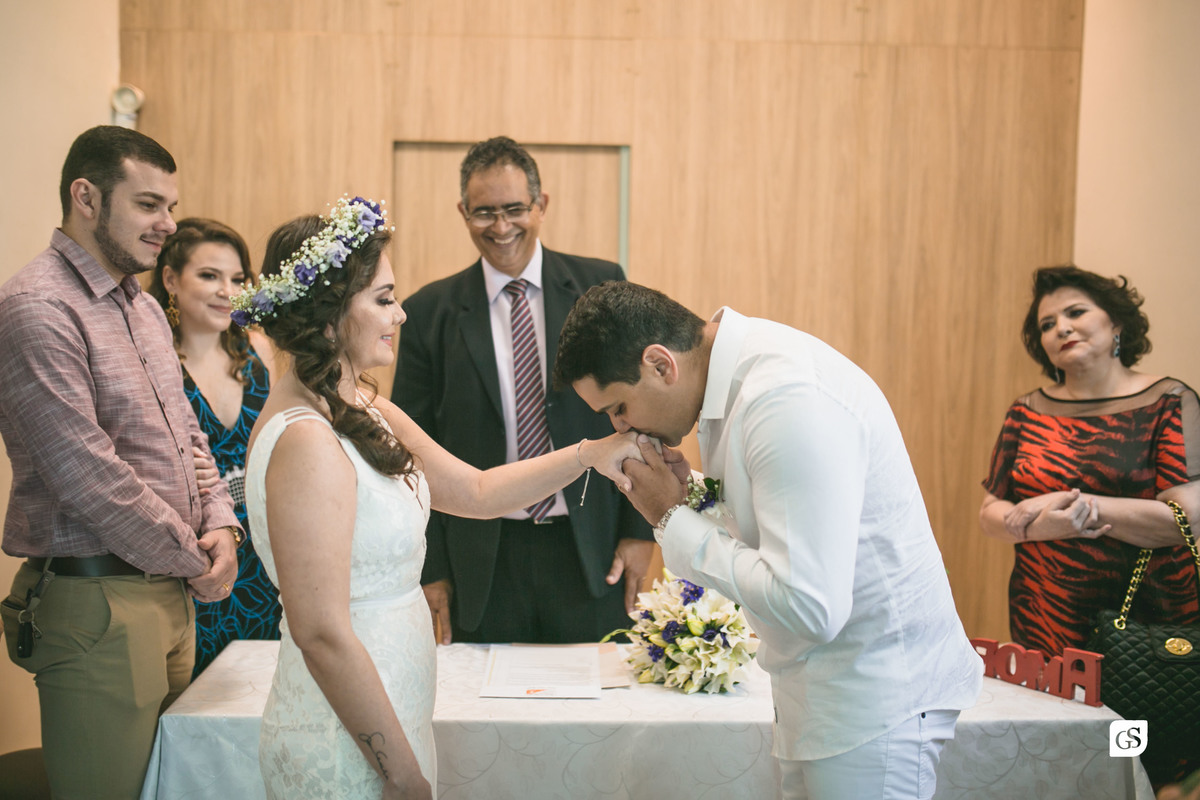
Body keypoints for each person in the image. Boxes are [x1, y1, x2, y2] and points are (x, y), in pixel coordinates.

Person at [237, 196, 641, 799]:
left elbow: (476, 491)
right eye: (383, 299)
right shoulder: (307, 441)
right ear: (328, 316)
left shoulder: (365, 409)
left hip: (391, 717)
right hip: (344, 739)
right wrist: (400, 773)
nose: (400, 315)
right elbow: (320, 632)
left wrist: (589, 454)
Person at [554, 281, 983, 800]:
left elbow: (809, 605)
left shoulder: (784, 398)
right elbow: (776, 528)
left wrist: (672, 519)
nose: (620, 427)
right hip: (824, 696)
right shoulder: (737, 381)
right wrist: (690, 499)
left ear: (661, 365)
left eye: (618, 407)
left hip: (873, 700)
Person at [0, 126, 242, 799]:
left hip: (170, 595)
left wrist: (223, 525)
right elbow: (87, 475)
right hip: (98, 601)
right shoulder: (37, 307)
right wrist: (196, 558)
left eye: (171, 206)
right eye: (148, 205)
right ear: (86, 197)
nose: (168, 224)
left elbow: (189, 435)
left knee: (174, 788)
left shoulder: (143, 308)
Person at [392, 136, 653, 645]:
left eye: (514, 209)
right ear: (463, 213)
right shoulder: (427, 312)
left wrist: (640, 530)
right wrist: (430, 567)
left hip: (590, 550)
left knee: (594, 692)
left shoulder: (600, 286)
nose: (501, 226)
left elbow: (639, 411)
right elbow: (409, 453)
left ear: (541, 205)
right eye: (484, 212)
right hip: (481, 563)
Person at [979, 264, 1199, 784]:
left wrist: (1076, 506)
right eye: (1047, 324)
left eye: (1076, 312)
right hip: (1045, 620)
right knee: (1058, 759)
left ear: (1116, 323)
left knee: (1136, 764)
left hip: (1144, 626)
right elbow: (991, 514)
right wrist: (1039, 527)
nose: (1062, 328)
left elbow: (1185, 519)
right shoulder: (1026, 411)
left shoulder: (1169, 400)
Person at [149, 218, 281, 677]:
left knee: (264, 686)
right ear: (171, 279)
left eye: (238, 279)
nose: (228, 291)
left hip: (266, 548)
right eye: (209, 275)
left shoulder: (260, 349)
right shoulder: (153, 360)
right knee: (195, 692)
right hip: (197, 554)